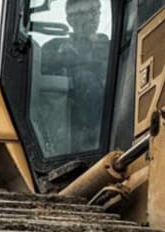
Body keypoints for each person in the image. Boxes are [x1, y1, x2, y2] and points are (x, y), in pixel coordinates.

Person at [36, 0, 110, 154]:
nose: (91, 17)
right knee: (85, 79)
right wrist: (59, 60)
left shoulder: (111, 47)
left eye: (95, 11)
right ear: (70, 19)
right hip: (67, 128)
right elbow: (35, 72)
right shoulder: (55, 46)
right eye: (83, 13)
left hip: (110, 119)